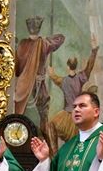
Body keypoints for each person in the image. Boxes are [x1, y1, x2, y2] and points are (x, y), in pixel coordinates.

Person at [14, 16, 65, 154]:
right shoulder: (43, 43)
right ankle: (51, 151)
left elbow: (17, 68)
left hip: (23, 86)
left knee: (31, 116)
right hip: (36, 85)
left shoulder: (24, 44)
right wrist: (45, 39)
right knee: (43, 116)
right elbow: (60, 38)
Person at [47, 35, 99, 150]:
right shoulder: (80, 77)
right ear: (75, 65)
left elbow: (53, 77)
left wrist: (50, 72)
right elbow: (89, 66)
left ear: (67, 66)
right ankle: (57, 154)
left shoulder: (63, 81)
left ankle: (54, 152)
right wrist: (94, 51)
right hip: (74, 114)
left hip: (67, 115)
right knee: (74, 140)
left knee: (51, 125)